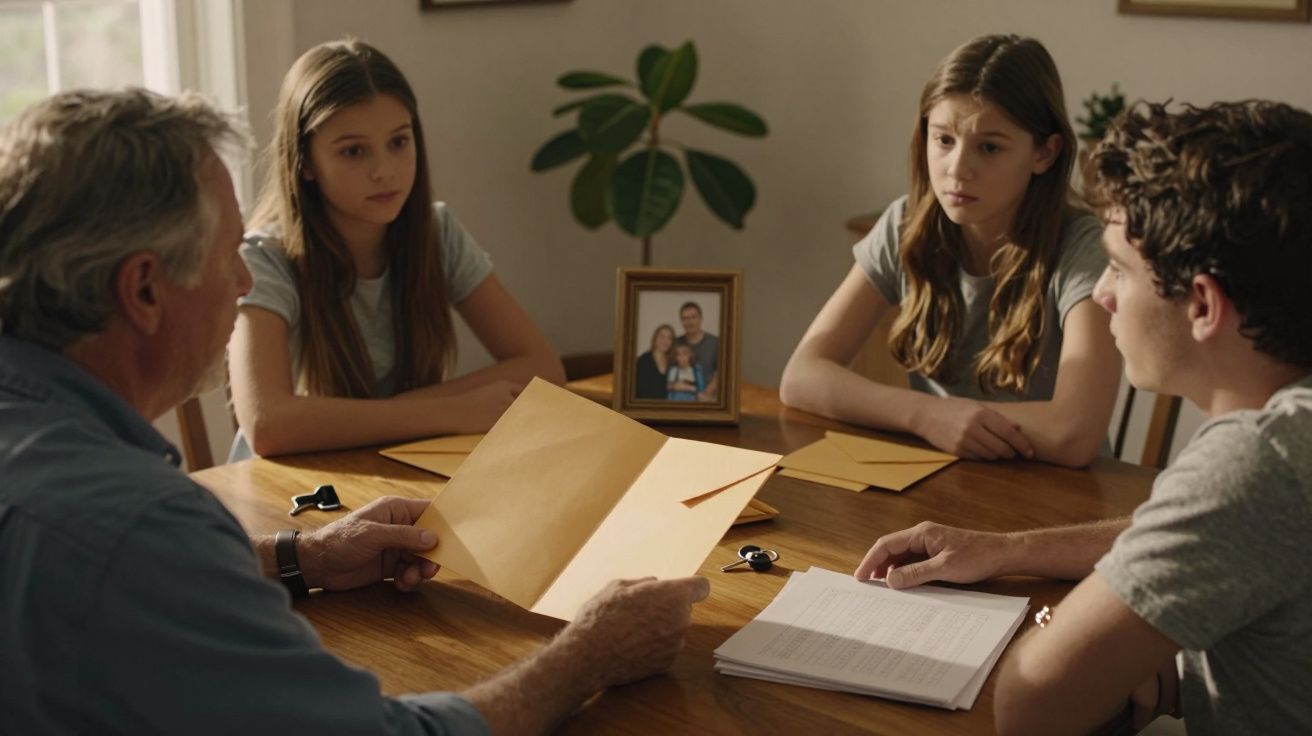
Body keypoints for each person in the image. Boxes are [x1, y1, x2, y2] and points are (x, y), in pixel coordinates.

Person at [0, 88, 709, 735]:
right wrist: (587, 655)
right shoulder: (139, 526)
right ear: (145, 291)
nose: (245, 281)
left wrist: (301, 557)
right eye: (226, 259)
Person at [853, 100, 1312, 734]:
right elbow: (1218, 531)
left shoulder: (1259, 458)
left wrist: (1064, 627)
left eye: (1119, 269)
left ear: (1202, 303)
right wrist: (1004, 551)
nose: (1102, 294)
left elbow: (1032, 702)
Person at [780, 34, 1121, 467]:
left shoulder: (1083, 247)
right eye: (943, 140)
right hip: (944, 479)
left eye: (990, 147)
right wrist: (927, 414)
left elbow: (1073, 433)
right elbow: (802, 377)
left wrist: (949, 420)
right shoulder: (906, 224)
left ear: (1044, 153)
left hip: (1061, 500)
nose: (958, 170)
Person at [227, 39, 564, 460]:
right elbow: (267, 425)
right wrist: (447, 412)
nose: (384, 171)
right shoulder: (265, 257)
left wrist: (404, 415)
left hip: (391, 464)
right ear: (306, 163)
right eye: (353, 151)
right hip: (281, 491)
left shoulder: (436, 231)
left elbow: (542, 367)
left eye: (399, 142)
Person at [675, 300, 720, 401]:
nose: (690, 322)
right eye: (685, 318)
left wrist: (708, 392)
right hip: (681, 399)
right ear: (681, 321)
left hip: (708, 399)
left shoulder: (715, 343)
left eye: (693, 317)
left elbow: (721, 372)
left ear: (700, 318)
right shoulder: (676, 343)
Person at [634, 323, 675, 400]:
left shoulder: (672, 362)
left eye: (669, 338)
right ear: (655, 338)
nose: (665, 340)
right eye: (662, 336)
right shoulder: (644, 360)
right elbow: (641, 390)